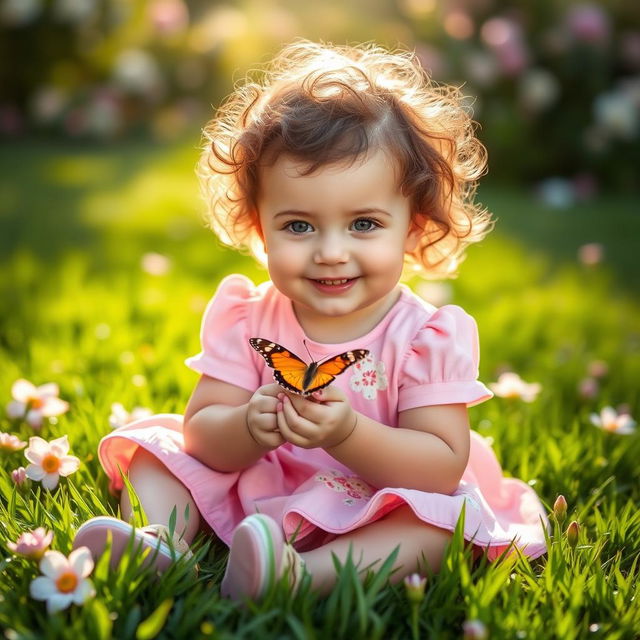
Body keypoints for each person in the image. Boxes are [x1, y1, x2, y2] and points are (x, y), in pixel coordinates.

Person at [73, 40, 548, 600]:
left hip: (375, 501)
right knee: (159, 451)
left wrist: (348, 433)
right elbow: (202, 436)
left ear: (415, 227)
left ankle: (298, 577)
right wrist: (248, 427)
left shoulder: (424, 337)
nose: (330, 252)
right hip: (264, 481)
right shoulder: (248, 316)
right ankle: (158, 541)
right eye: (298, 226)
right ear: (258, 225)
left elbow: (440, 467)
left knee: (438, 524)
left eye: (364, 224)